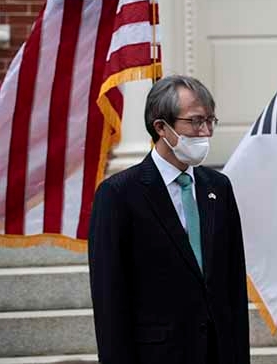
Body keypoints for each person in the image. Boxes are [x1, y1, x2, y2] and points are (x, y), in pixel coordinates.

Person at [88, 75, 250, 364]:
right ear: (161, 126)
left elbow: (233, 285)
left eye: (210, 121)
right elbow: (110, 298)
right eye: (196, 122)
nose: (205, 132)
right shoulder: (119, 194)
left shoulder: (219, 188)